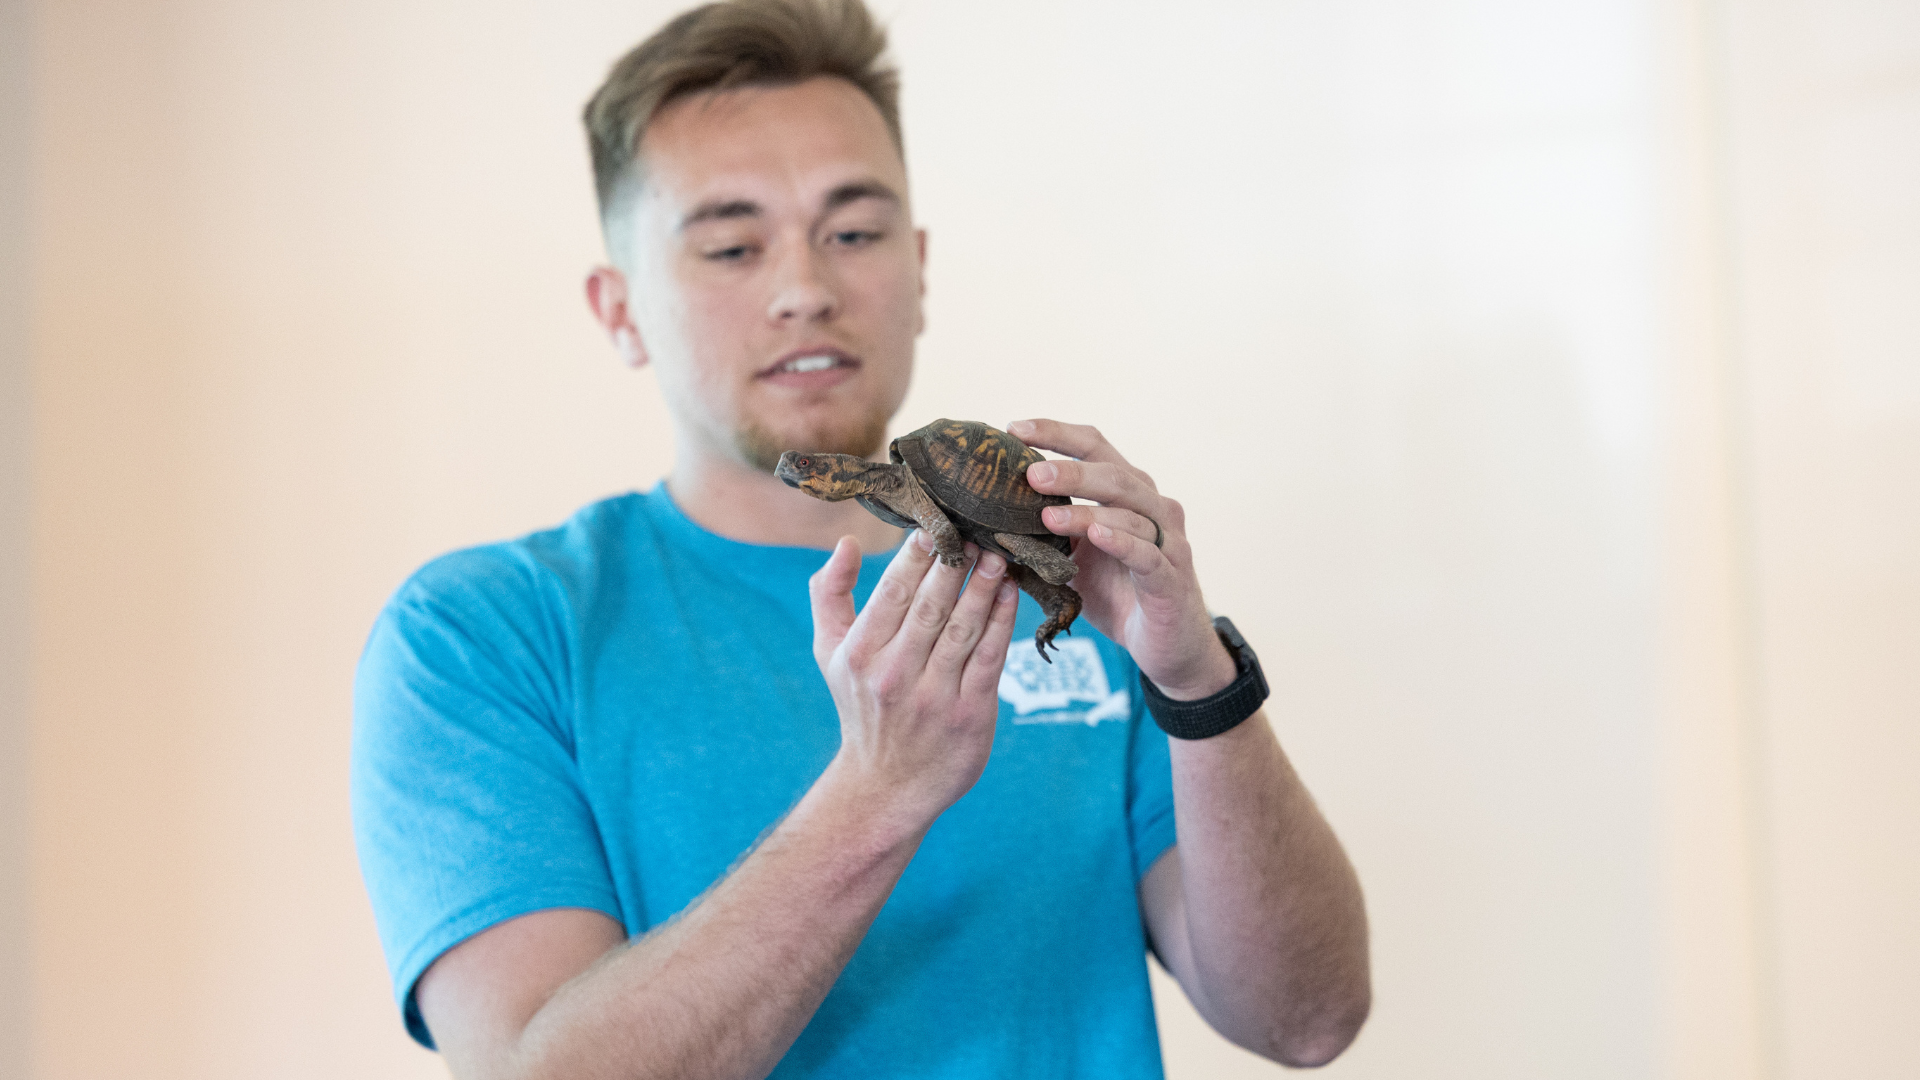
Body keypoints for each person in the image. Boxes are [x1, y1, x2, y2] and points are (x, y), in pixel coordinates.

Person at [350, 1, 1371, 1076]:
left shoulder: (1078, 585)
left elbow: (1306, 1019)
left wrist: (1198, 681)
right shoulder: (483, 638)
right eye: (734, 245)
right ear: (620, 311)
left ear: (919, 267)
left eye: (853, 232)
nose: (807, 290)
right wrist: (884, 785)